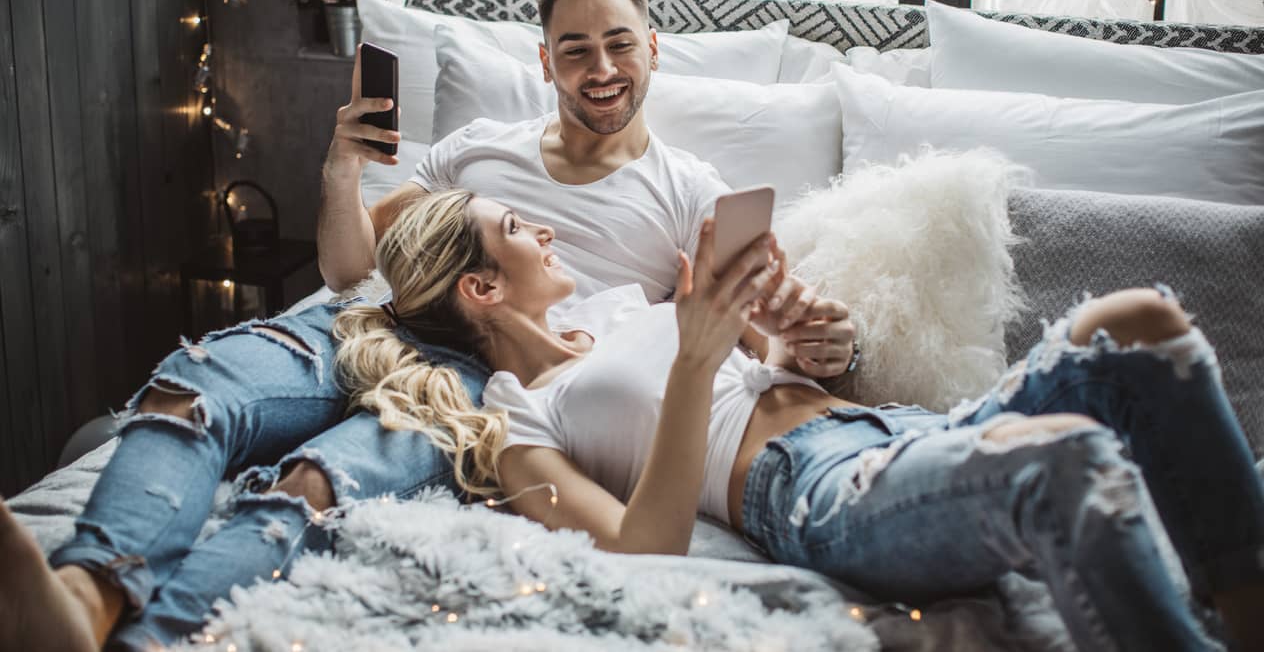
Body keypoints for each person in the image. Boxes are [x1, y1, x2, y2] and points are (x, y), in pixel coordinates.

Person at [0, 0, 853, 651]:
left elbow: (755, 331)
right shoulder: (481, 148)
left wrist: (814, 345)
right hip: (363, 320)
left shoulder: (690, 190)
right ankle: (85, 595)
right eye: (576, 48)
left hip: (484, 374)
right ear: (544, 58)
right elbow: (346, 267)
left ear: (655, 48)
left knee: (313, 482)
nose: (601, 69)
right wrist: (340, 169)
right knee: (191, 388)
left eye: (620, 44)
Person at [336, 188, 1264, 652]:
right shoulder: (517, 421)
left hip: (890, 428)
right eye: (516, 230)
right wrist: (700, 358)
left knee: (1139, 322)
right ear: (482, 289)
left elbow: (764, 386)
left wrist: (799, 345)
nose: (542, 230)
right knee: (1063, 458)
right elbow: (636, 546)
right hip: (815, 493)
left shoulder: (622, 307)